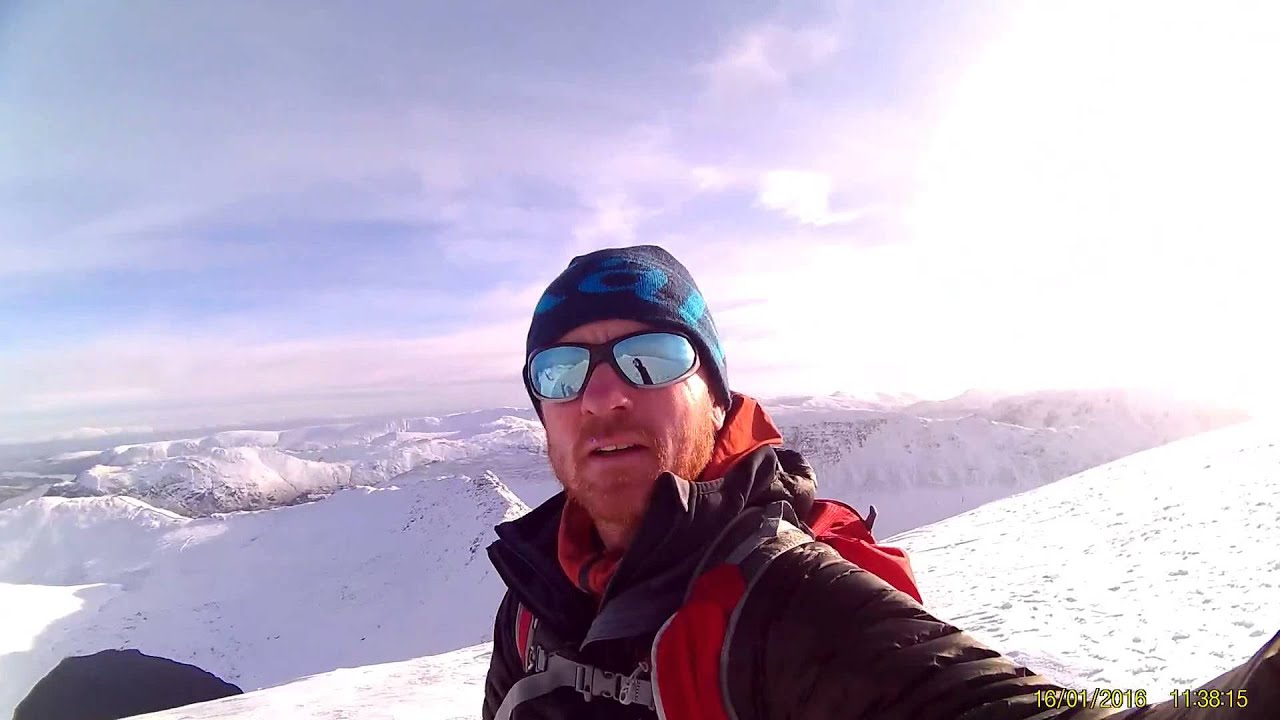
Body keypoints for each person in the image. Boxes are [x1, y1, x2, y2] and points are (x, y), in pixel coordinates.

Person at [482, 244, 1278, 720]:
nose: (603, 394)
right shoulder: (531, 603)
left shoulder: (785, 602)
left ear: (716, 398)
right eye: (560, 370)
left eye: (649, 358)